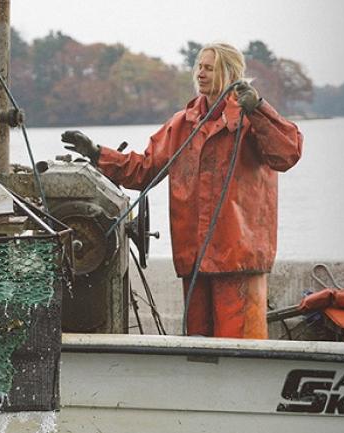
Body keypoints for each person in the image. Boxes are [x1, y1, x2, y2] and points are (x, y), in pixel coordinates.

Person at [61, 42, 303, 339]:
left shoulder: (250, 120)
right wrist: (98, 153)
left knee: (241, 345)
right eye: (199, 66)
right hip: (194, 258)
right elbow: (143, 169)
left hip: (239, 257)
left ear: (230, 73)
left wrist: (260, 109)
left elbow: (288, 154)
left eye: (209, 68)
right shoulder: (182, 124)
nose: (200, 73)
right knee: (198, 348)